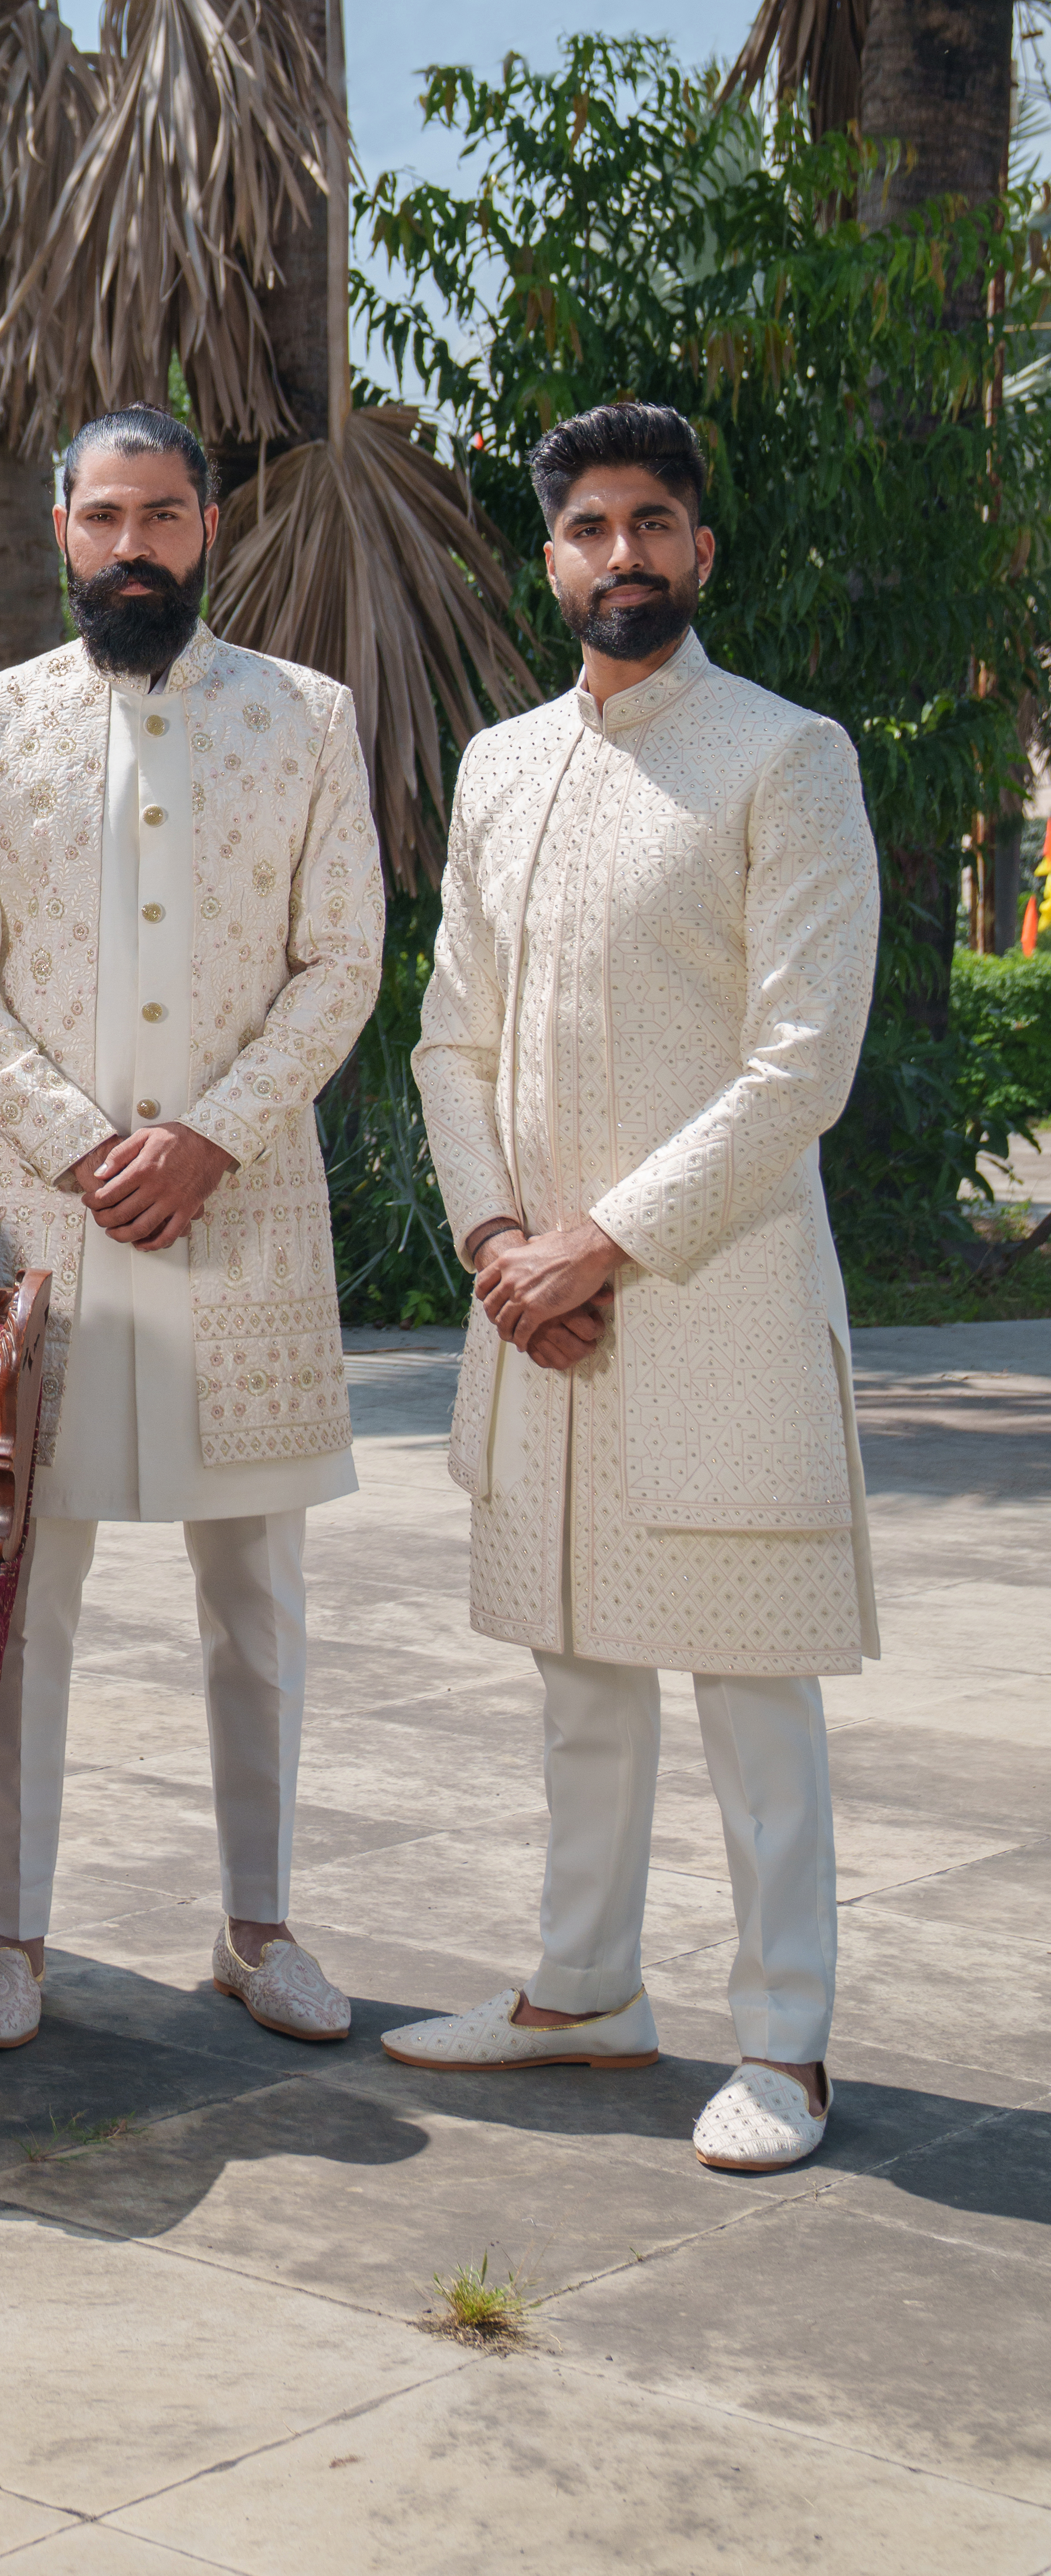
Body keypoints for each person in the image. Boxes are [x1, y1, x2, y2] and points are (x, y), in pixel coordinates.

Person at [393, 401, 879, 2173]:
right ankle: (583, 1990)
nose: (623, 554)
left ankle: (787, 2044)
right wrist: (495, 1248)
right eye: (589, 526)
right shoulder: (501, 765)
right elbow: (449, 1037)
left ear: (699, 549)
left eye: (652, 523)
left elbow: (800, 1063)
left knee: (752, 1688)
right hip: (533, 1306)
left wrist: (596, 1243)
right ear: (550, 559)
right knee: (577, 1672)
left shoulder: (784, 756)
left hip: (716, 1294)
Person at [0, 404, 384, 2054]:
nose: (131, 546)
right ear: (60, 529)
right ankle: (10, 1937)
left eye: (161, 515)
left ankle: (260, 1927)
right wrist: (85, 1146)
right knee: (24, 1593)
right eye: (103, 517)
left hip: (246, 1221)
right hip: (41, 1226)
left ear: (207, 527)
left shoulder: (303, 715)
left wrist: (209, 1137)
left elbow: (342, 958)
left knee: (256, 1593)